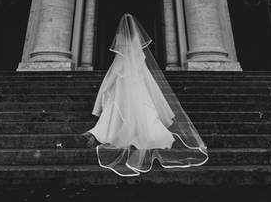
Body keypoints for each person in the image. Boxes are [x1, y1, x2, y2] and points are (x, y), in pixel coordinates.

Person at [86, 13, 208, 176]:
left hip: (124, 83)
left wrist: (107, 86)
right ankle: (151, 133)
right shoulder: (136, 42)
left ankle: (103, 133)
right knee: (143, 108)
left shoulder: (121, 42)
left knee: (118, 109)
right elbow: (141, 64)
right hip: (138, 81)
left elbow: (117, 68)